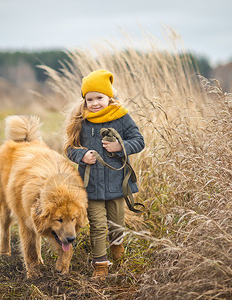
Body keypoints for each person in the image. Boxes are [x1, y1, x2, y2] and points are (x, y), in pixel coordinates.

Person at [64, 69, 145, 279]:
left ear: (109, 96)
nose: (95, 103)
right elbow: (69, 148)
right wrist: (82, 155)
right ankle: (100, 264)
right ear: (85, 101)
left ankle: (118, 250)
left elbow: (139, 141)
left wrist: (121, 146)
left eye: (99, 97)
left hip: (117, 185)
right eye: (89, 99)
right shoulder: (81, 120)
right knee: (97, 226)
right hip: (91, 186)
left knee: (116, 224)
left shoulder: (122, 117)